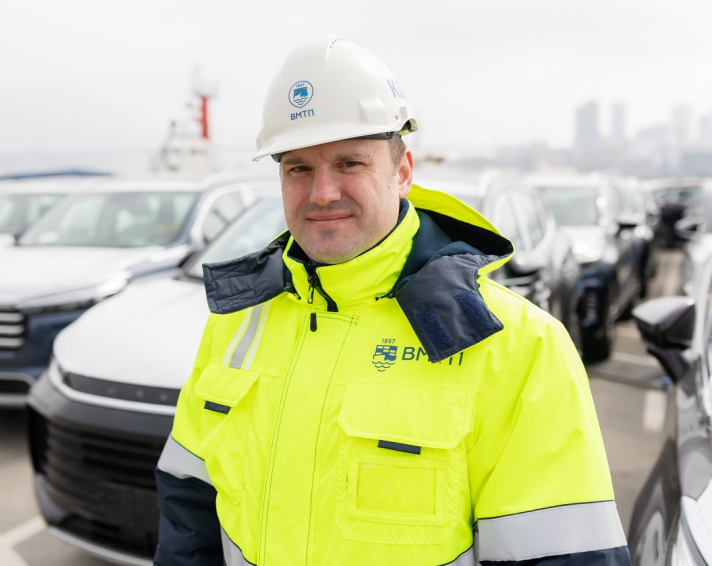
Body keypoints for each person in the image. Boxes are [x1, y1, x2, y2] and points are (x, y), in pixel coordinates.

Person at [154, 36, 630, 566]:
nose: (322, 193)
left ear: (402, 174)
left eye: (349, 163)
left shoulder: (517, 345)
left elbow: (563, 552)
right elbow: (189, 508)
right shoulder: (239, 320)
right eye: (299, 168)